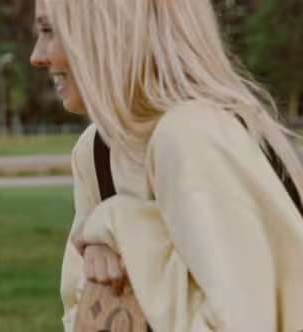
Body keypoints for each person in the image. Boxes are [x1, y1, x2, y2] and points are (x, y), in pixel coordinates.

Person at [30, 0, 303, 331]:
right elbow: (81, 310)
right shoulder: (96, 151)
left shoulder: (192, 134)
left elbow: (245, 319)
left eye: (49, 30)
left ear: (112, 29)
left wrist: (116, 222)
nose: (37, 56)